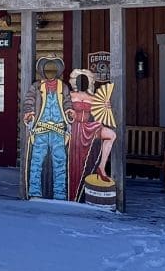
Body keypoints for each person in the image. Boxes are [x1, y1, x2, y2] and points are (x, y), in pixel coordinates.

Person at [23, 56, 72, 201]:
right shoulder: (37, 86)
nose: (50, 73)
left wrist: (69, 111)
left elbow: (67, 102)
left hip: (58, 130)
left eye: (53, 69)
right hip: (40, 131)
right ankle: (35, 192)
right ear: (42, 70)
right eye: (47, 69)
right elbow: (29, 101)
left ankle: (60, 194)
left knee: (60, 163)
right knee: (36, 162)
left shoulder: (63, 87)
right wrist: (29, 112)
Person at [67, 68, 117, 202]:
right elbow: (64, 109)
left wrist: (107, 106)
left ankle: (101, 167)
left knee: (111, 135)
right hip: (74, 126)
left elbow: (99, 114)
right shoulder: (70, 95)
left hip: (89, 126)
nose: (83, 82)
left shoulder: (94, 97)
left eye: (87, 79)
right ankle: (73, 191)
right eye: (79, 79)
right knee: (75, 160)